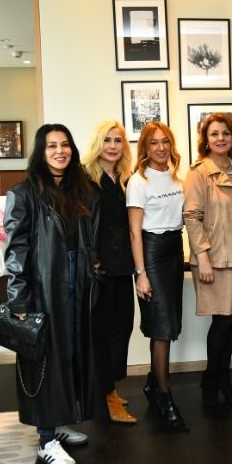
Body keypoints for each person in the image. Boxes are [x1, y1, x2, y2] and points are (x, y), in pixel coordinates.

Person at [4, 123, 105, 464]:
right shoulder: (23, 194)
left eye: (65, 145)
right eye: (51, 146)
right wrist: (19, 299)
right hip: (43, 286)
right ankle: (46, 438)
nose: (60, 151)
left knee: (71, 354)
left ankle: (59, 421)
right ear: (41, 151)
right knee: (45, 361)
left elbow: (91, 240)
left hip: (78, 282)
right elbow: (16, 251)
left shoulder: (83, 191)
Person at [183, 113, 232, 406]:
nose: (220, 138)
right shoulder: (199, 173)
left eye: (225, 133)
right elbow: (191, 216)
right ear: (205, 140)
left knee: (230, 318)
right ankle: (211, 382)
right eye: (214, 134)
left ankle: (222, 379)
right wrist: (202, 257)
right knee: (222, 320)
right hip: (214, 257)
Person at [126, 121, 188, 431]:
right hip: (151, 252)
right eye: (154, 143)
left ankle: (153, 383)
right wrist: (141, 273)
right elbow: (134, 233)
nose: (161, 147)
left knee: (170, 323)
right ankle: (164, 396)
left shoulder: (177, 177)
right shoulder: (139, 181)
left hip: (174, 249)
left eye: (165, 141)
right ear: (145, 148)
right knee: (161, 328)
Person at [81, 119, 137, 424]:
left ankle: (109, 388)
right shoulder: (84, 179)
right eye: (107, 140)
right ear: (97, 143)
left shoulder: (126, 179)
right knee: (102, 334)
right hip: (98, 268)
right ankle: (106, 395)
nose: (113, 146)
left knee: (122, 328)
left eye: (118, 140)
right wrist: (91, 262)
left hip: (123, 265)